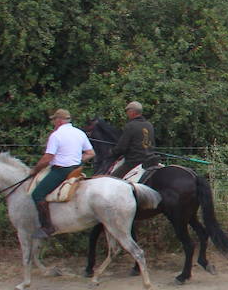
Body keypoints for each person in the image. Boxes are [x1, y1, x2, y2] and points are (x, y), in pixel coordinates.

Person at [29, 108, 94, 240]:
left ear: (59, 121)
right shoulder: (80, 133)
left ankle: (47, 227)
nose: (53, 122)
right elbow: (91, 153)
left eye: (54, 120)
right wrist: (76, 160)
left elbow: (47, 158)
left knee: (37, 194)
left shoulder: (56, 135)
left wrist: (35, 170)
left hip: (61, 170)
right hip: (76, 169)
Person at [107, 101, 159, 178]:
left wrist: (112, 152)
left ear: (132, 112)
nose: (127, 114)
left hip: (134, 162)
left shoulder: (130, 126)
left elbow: (122, 148)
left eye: (127, 111)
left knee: (112, 179)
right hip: (150, 160)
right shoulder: (149, 125)